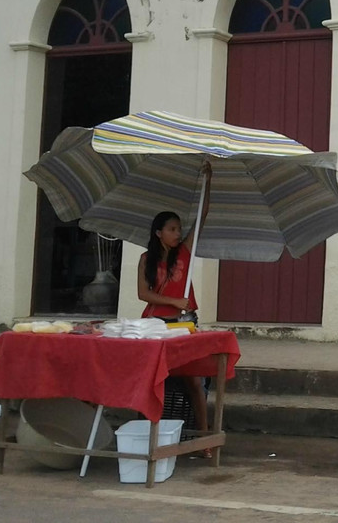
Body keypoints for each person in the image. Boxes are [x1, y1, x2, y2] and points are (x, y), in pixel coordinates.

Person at [137, 160, 212, 455]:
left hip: (183, 325)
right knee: (150, 380)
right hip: (155, 325)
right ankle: (148, 436)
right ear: (158, 233)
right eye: (171, 229)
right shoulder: (146, 259)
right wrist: (172, 301)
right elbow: (144, 294)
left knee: (195, 383)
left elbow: (202, 217)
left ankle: (203, 440)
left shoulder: (185, 252)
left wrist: (209, 179)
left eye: (179, 228)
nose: (177, 233)